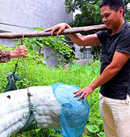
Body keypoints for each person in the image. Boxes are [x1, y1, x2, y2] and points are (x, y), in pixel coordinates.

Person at [46, 0, 130, 137]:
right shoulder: (106, 33)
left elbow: (114, 67)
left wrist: (91, 87)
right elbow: (82, 41)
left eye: (107, 15)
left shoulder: (127, 33)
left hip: (121, 99)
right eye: (102, 16)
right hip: (105, 94)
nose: (104, 19)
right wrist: (67, 27)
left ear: (120, 11)